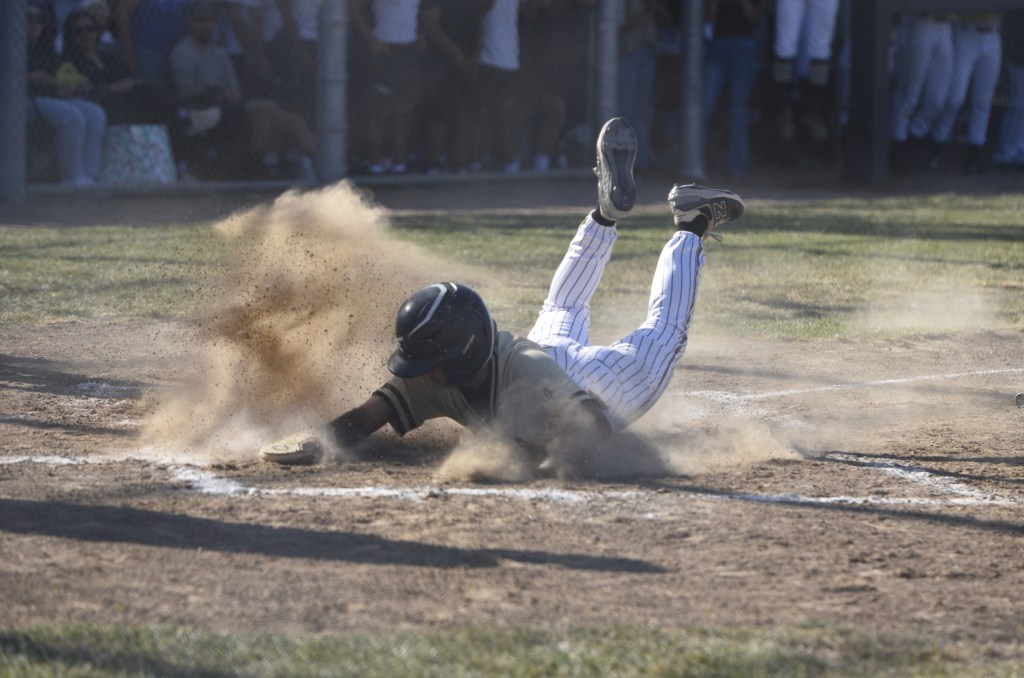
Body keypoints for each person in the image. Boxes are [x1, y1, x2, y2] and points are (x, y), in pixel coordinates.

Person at [260, 118, 745, 474]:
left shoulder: (525, 373)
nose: (421, 372)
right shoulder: (440, 370)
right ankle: (605, 216)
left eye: (429, 362)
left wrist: (537, 465)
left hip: (594, 386)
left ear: (459, 355)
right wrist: (321, 439)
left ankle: (690, 224)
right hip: (543, 352)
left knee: (662, 335)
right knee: (562, 308)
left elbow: (593, 423)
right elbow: (369, 416)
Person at [169, 0, 318, 181]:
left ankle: (321, 166)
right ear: (190, 22)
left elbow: (235, 93)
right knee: (266, 109)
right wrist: (215, 92)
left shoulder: (220, 53)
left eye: (210, 21)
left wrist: (221, 93)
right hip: (202, 111)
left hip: (227, 109)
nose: (206, 26)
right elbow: (186, 93)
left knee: (291, 120)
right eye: (200, 21)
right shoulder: (183, 51)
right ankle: (253, 166)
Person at [26, 0, 107, 185]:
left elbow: (56, 77)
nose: (35, 23)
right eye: (29, 18)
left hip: (46, 97)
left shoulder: (43, 47)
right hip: (16, 101)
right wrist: (29, 77)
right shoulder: (9, 44)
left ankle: (89, 176)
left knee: (95, 113)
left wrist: (72, 84)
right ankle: (72, 178)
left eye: (39, 19)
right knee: (71, 116)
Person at [348, 0, 423, 175]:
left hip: (408, 52)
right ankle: (375, 165)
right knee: (379, 114)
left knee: (403, 113)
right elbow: (352, 7)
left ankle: (400, 165)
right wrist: (371, 40)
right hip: (385, 51)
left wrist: (418, 35)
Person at [703, 0, 761, 178]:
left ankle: (736, 165)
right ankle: (695, 160)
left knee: (739, 109)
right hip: (719, 45)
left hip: (744, 48)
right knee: (705, 104)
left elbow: (754, 18)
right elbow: (708, 17)